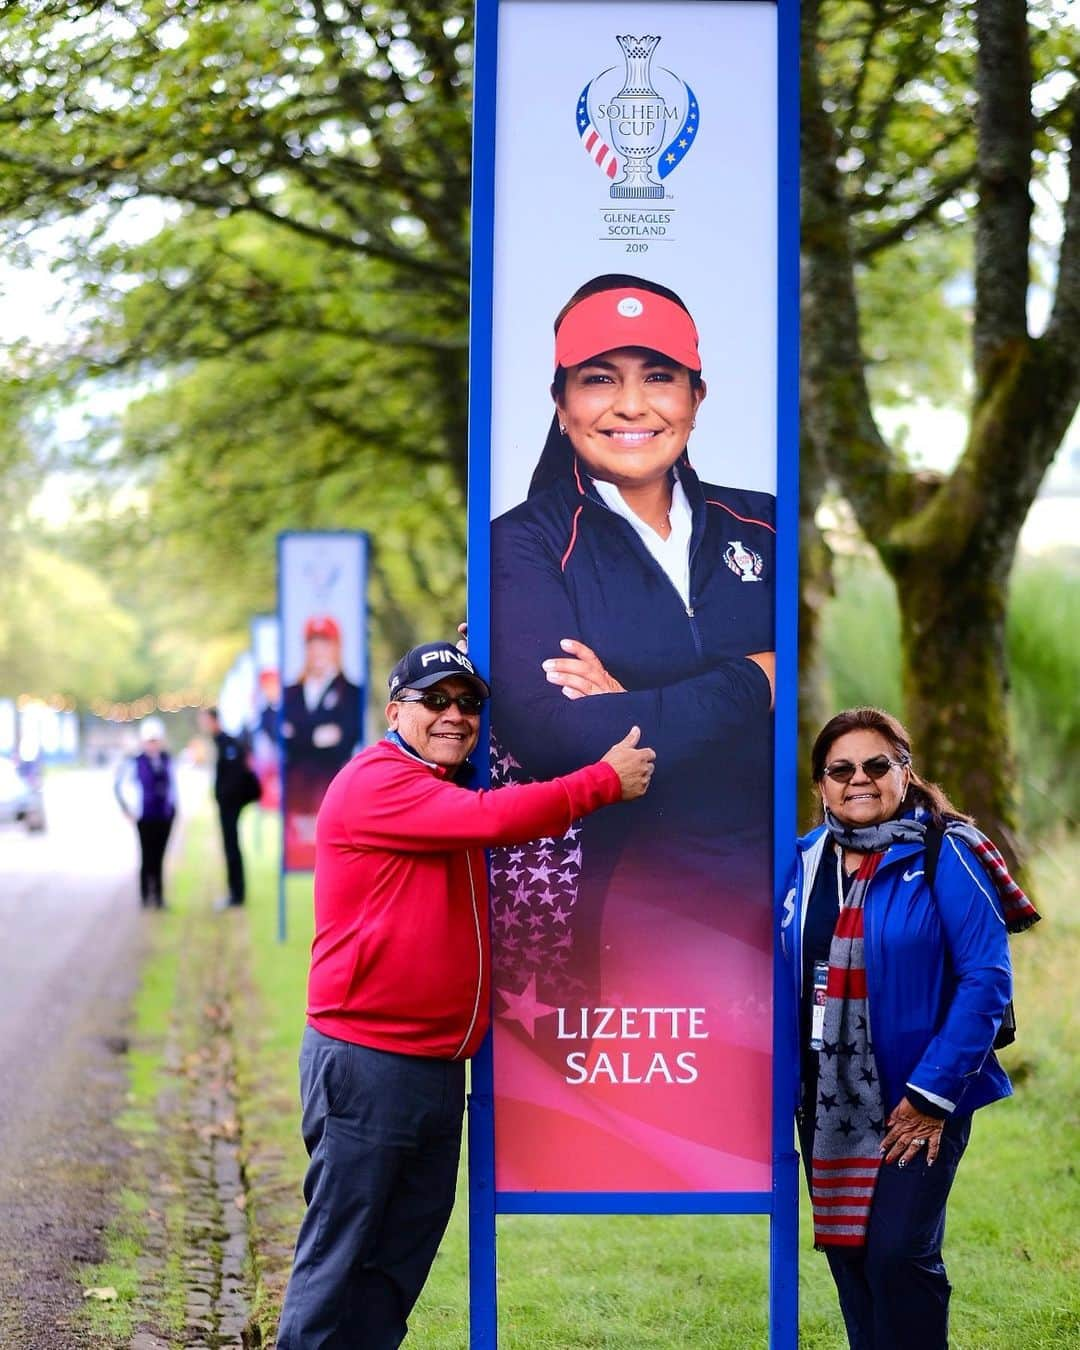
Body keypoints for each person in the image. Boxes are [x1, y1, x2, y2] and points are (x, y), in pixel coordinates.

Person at [275, 642, 655, 1350]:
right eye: (435, 701)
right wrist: (602, 781)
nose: (454, 715)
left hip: (437, 1068)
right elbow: (495, 818)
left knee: (393, 1269)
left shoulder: (438, 782)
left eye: (469, 702)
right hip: (368, 1063)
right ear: (395, 712)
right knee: (338, 1263)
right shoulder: (378, 781)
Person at [487, 274, 777, 1187]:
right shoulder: (520, 544)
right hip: (618, 929)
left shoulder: (766, 526)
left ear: (697, 393)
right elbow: (556, 738)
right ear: (561, 400)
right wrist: (748, 681)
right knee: (625, 1149)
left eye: (658, 375)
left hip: (763, 908)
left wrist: (628, 700)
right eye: (599, 378)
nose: (632, 405)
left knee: (774, 1166)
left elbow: (814, 704)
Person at [783, 706, 1039, 1349]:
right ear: (820, 785)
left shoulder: (945, 852)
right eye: (840, 769)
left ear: (905, 771)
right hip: (826, 1100)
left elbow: (986, 979)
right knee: (851, 1256)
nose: (858, 779)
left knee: (898, 1254)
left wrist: (930, 1098)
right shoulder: (803, 861)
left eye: (876, 765)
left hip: (919, 1100)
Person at [281, 614, 362, 824]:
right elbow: (282, 738)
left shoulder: (351, 692)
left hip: (331, 790)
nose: (317, 652)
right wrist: (316, 737)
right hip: (296, 795)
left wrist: (298, 733)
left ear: (336, 648)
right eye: (312, 645)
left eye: (324, 644)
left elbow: (344, 742)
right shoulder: (290, 693)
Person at [114, 715, 177, 908]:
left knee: (159, 856)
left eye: (155, 741)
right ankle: (145, 894)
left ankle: (158, 895)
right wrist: (128, 809)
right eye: (150, 741)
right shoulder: (135, 762)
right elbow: (120, 786)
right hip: (145, 815)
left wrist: (173, 808)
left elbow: (173, 786)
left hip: (163, 815)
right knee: (147, 855)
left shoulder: (166, 760)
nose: (153, 745)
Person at [200, 706, 254, 909]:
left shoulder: (227, 743)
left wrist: (225, 798)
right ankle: (234, 891)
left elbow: (234, 777)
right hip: (227, 804)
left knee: (232, 848)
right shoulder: (220, 743)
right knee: (230, 847)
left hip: (230, 805)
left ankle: (237, 894)